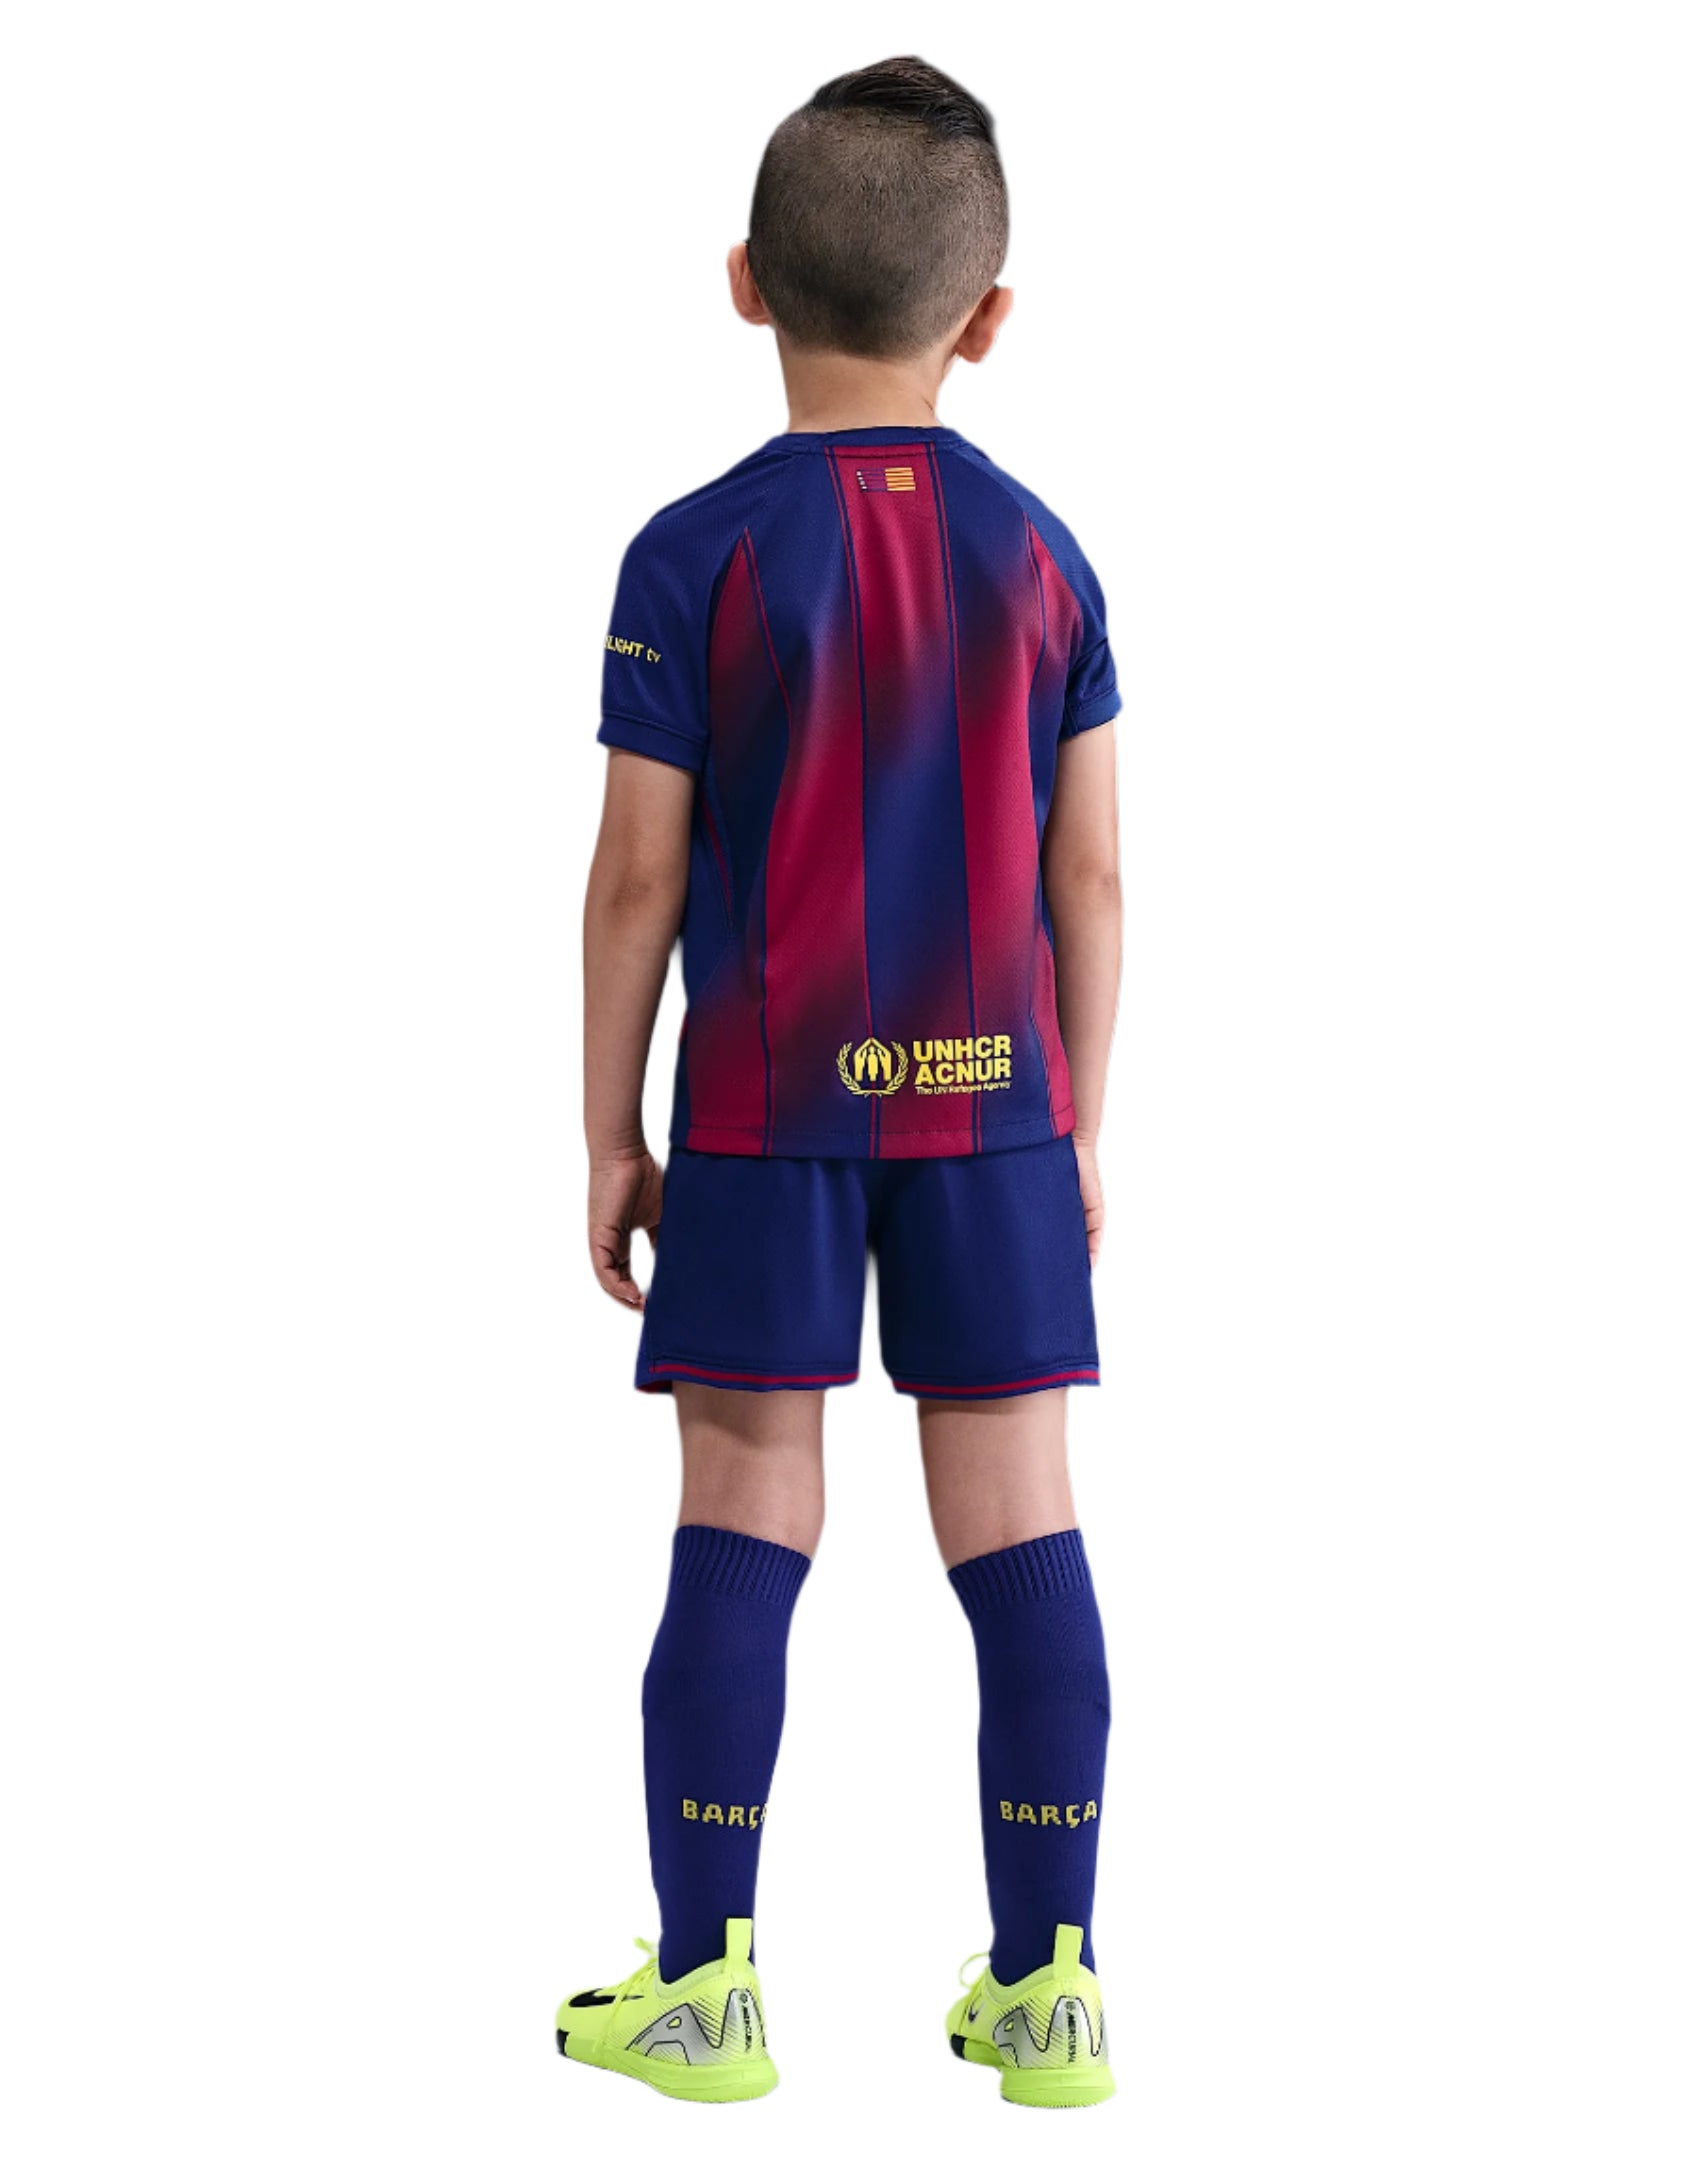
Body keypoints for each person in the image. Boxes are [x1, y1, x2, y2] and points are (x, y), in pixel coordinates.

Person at [561, 57, 1122, 2110]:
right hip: (994, 1117)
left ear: (745, 281)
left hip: (762, 1119)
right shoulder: (1048, 560)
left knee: (742, 1521)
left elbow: (636, 876)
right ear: (989, 317)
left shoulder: (689, 555)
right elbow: (1091, 878)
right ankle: (1051, 1994)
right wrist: (1075, 1126)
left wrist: (609, 1129)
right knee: (1022, 1535)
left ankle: (706, 1994)